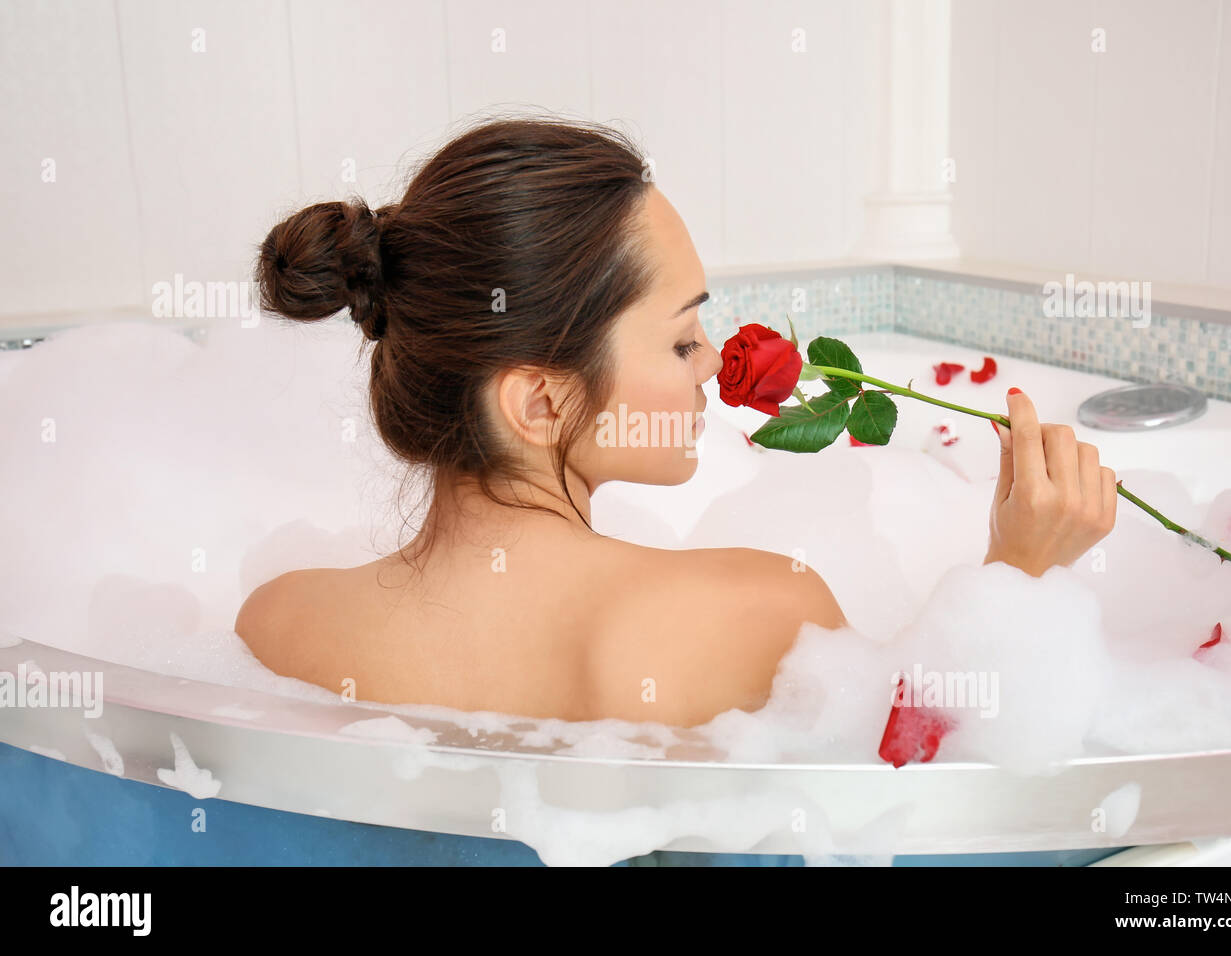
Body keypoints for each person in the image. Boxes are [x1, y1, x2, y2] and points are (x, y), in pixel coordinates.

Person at [236, 116, 1117, 728]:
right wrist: (1021, 576)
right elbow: (914, 810)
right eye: (682, 339)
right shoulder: (758, 612)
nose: (710, 364)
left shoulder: (277, 626)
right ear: (539, 403)